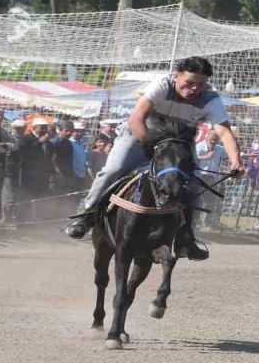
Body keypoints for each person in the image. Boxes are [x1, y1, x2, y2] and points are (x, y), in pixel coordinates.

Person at [65, 57, 244, 249]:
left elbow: (224, 132)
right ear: (177, 76)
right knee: (113, 169)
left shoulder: (210, 98)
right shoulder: (162, 85)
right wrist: (149, 146)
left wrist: (235, 161)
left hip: (177, 143)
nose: (194, 89)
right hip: (140, 134)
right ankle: (87, 216)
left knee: (193, 183)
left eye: (200, 85)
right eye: (190, 82)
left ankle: (187, 237)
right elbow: (137, 118)